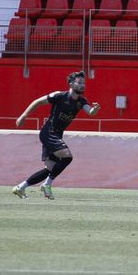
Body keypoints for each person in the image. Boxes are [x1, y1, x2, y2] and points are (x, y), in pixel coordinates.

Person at [11, 70, 98, 200]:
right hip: (48, 132)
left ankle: (20, 187)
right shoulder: (59, 96)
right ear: (70, 84)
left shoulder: (81, 101)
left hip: (57, 135)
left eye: (84, 83)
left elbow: (90, 112)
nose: (82, 85)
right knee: (67, 157)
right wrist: (23, 116)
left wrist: (95, 109)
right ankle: (47, 185)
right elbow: (38, 102)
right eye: (79, 82)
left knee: (49, 169)